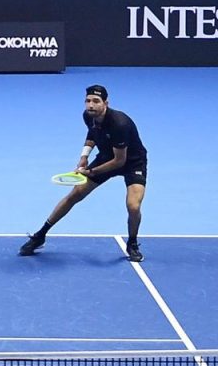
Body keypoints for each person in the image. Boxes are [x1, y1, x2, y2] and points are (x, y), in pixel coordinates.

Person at [19, 84, 148, 262]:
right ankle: (40, 235)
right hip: (105, 157)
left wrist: (90, 171)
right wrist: (84, 157)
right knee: (75, 194)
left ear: (106, 103)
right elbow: (92, 135)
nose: (90, 105)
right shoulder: (89, 116)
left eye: (96, 101)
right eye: (87, 101)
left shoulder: (120, 123)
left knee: (133, 206)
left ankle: (132, 243)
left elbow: (119, 161)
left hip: (132, 162)